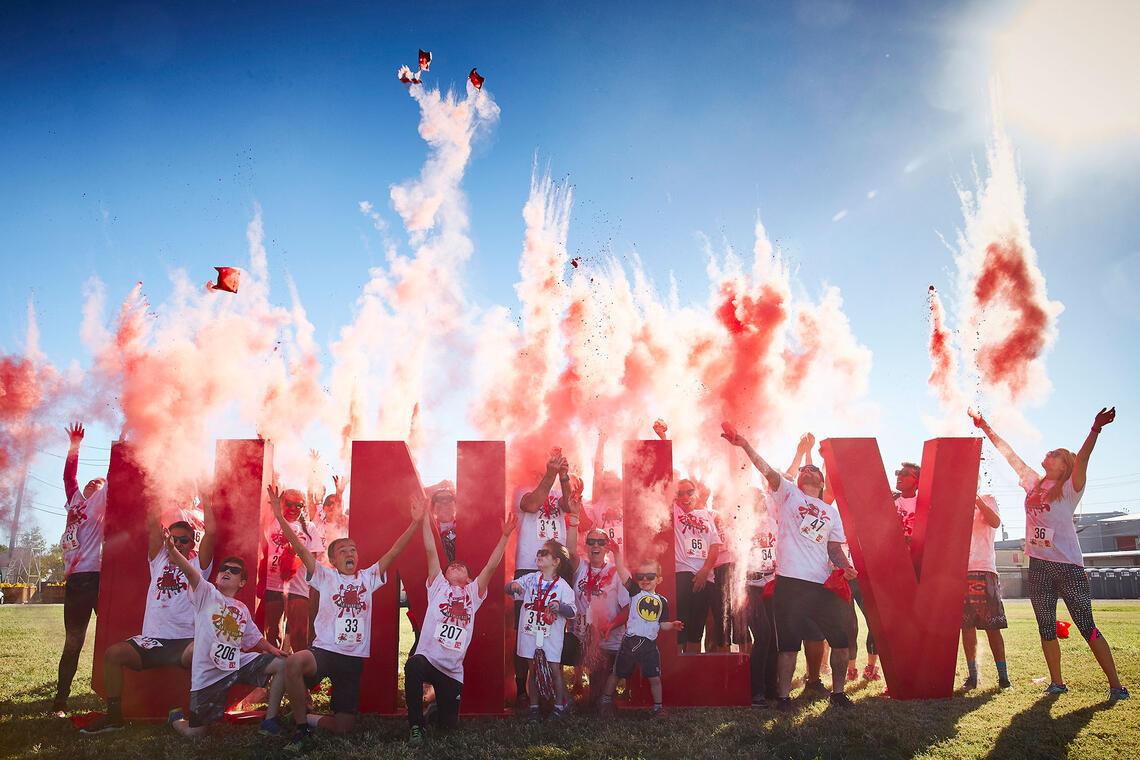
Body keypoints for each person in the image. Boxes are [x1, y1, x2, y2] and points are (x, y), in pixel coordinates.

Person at [970, 407, 1129, 700]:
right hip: (1039, 566)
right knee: (1045, 626)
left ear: (1064, 465)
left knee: (1086, 625)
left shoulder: (1070, 488)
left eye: (1055, 453)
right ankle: (1057, 682)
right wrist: (985, 426)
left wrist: (1095, 428)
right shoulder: (1033, 482)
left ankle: (1116, 686)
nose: (1048, 454)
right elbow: (1010, 454)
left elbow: (1083, 458)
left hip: (1068, 567)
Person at [266, 484, 423, 750]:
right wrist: (281, 518)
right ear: (333, 560)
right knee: (294, 662)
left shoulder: (368, 577)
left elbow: (394, 552)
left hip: (351, 659)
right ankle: (301, 729)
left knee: (343, 729)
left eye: (353, 550)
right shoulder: (325, 577)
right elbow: (302, 551)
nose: (350, 554)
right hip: (325, 652)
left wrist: (415, 523)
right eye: (343, 551)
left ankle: (309, 718)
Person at [722, 424, 856, 711]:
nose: (807, 471)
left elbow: (833, 547)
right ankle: (783, 697)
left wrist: (845, 566)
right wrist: (745, 445)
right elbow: (768, 471)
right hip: (790, 584)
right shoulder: (788, 496)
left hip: (821, 584)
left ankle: (838, 693)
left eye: (813, 471)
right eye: (803, 470)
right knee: (787, 646)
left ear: (821, 482)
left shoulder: (830, 512)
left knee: (841, 640)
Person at [81, 490, 216, 734]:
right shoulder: (159, 560)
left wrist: (205, 498)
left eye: (184, 540)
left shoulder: (198, 567)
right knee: (113, 655)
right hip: (152, 640)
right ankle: (114, 717)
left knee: (204, 651)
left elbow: (213, 533)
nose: (178, 544)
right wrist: (161, 481)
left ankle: (199, 715)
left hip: (185, 641)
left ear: (192, 542)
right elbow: (153, 521)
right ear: (168, 540)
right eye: (174, 539)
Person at [404, 505, 517, 744]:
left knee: (448, 729)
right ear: (444, 576)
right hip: (428, 659)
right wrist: (425, 519)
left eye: (461, 567)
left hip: (452, 671)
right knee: (413, 666)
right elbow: (430, 551)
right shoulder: (438, 587)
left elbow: (491, 566)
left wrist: (505, 536)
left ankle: (435, 707)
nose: (455, 566)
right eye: (451, 566)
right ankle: (416, 726)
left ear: (469, 578)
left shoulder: (473, 593)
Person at [159, 537, 288, 736]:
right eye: (223, 569)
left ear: (242, 582)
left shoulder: (242, 608)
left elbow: (254, 637)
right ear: (217, 577)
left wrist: (273, 650)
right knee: (196, 734)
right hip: (209, 674)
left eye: (234, 570)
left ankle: (270, 722)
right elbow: (191, 573)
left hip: (235, 663)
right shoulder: (207, 593)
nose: (227, 571)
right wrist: (172, 551)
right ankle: (176, 719)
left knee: (281, 664)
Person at [511, 451, 579, 707]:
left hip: (556, 568)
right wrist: (551, 474)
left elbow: (570, 504)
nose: (543, 471)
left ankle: (553, 689)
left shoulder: (558, 491)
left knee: (554, 628)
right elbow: (530, 504)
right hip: (529, 568)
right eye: (541, 468)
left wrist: (563, 475)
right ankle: (523, 690)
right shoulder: (521, 490)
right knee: (524, 628)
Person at [52, 422, 107, 716]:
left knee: (110, 636)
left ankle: (116, 699)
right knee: (73, 640)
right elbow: (68, 476)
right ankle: (60, 702)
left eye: (97, 485)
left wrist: (124, 442)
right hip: (75, 583)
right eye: (90, 484)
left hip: (98, 578)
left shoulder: (99, 506)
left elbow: (112, 479)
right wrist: (75, 445)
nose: (91, 486)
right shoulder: (75, 501)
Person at [597, 559, 684, 717]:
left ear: (659, 579)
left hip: (650, 645)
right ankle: (605, 700)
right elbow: (623, 574)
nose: (645, 580)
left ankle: (658, 707)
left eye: (650, 576)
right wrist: (616, 553)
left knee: (655, 677)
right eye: (640, 576)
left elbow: (662, 624)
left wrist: (672, 625)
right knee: (617, 673)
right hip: (630, 642)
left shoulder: (662, 601)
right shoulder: (635, 592)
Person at [507, 538, 576, 721]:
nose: (539, 555)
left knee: (554, 668)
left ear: (556, 562)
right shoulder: (530, 578)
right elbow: (512, 586)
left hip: (550, 635)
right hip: (530, 632)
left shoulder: (563, 586)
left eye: (544, 553)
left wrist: (559, 607)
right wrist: (512, 586)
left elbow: (572, 611)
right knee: (532, 668)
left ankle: (559, 706)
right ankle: (534, 707)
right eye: (539, 552)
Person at [568, 527, 631, 709]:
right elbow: (570, 552)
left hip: (606, 642)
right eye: (591, 541)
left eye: (601, 542)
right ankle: (563, 699)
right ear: (586, 546)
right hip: (581, 639)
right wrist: (574, 518)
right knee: (552, 651)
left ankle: (602, 692)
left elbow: (628, 609)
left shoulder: (617, 572)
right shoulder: (580, 568)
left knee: (595, 701)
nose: (595, 545)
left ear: (607, 547)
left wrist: (611, 625)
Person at [961, 494, 1010, 690]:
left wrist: (976, 498)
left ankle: (1004, 678)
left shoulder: (987, 498)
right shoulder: (956, 501)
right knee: (966, 626)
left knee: (992, 626)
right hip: (961, 571)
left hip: (984, 569)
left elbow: (995, 522)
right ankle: (973, 677)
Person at [264, 488, 318, 654]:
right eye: (289, 504)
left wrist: (295, 560)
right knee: (271, 633)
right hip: (272, 586)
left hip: (297, 588)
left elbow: (313, 560)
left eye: (299, 505)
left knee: (299, 636)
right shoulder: (271, 521)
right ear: (281, 503)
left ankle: (300, 675)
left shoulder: (309, 527)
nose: (293, 508)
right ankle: (273, 673)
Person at [672, 477, 722, 652]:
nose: (685, 496)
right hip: (682, 573)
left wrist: (705, 570)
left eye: (689, 492)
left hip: (705, 576)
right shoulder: (674, 512)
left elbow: (715, 546)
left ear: (696, 493)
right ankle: (678, 673)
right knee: (680, 625)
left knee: (697, 628)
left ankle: (692, 672)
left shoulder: (706, 515)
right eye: (680, 493)